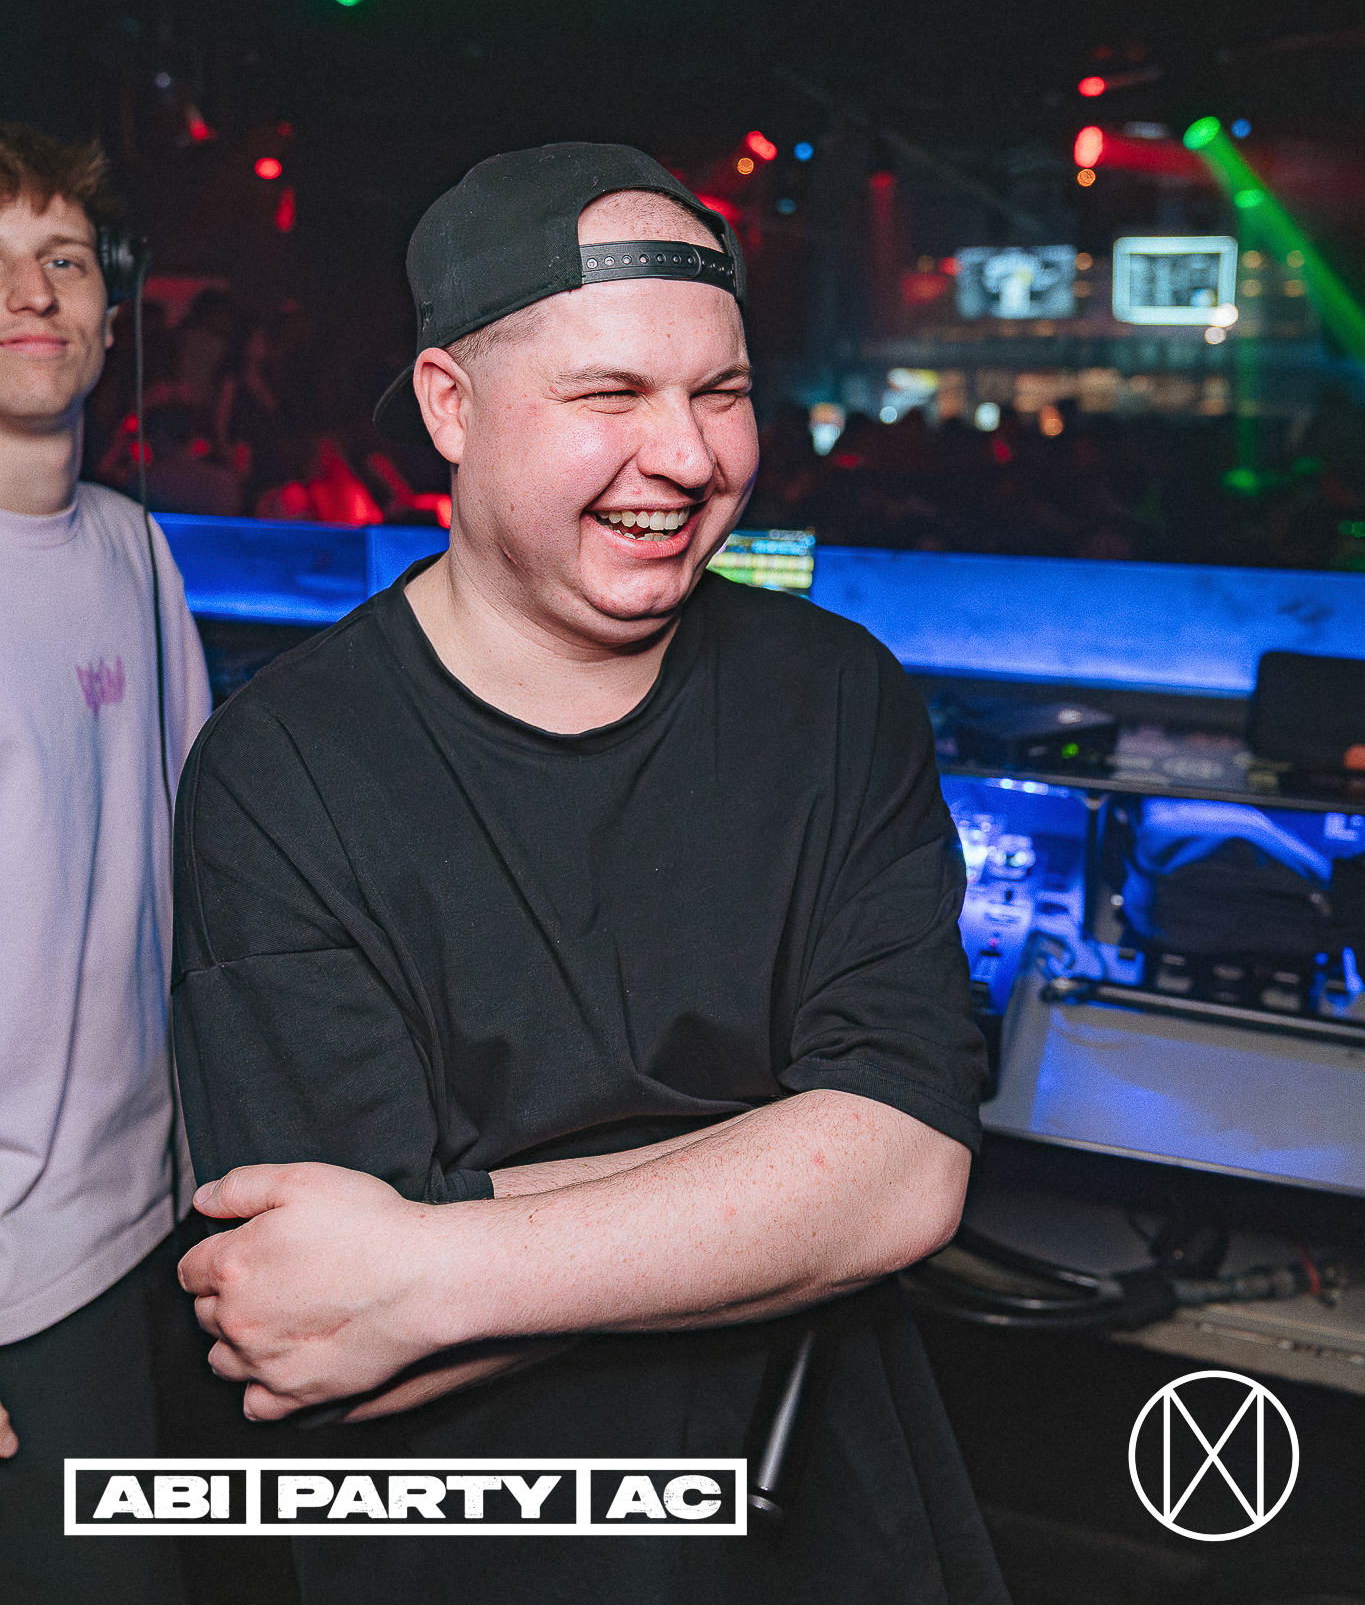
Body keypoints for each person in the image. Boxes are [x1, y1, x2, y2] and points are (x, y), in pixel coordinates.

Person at [173, 142, 1006, 1605]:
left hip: (823, 1515)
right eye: (609, 395)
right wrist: (785, 1165)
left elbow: (907, 1177)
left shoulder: (834, 696)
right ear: (450, 405)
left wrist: (435, 1257)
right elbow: (314, 1321)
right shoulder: (283, 767)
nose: (686, 457)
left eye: (721, 392)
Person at [0, 123, 212, 1603]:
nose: (32, 294)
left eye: (62, 259)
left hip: (153, 1224)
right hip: (22, 1273)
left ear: (109, 307)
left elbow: (199, 861)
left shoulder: (135, 550)